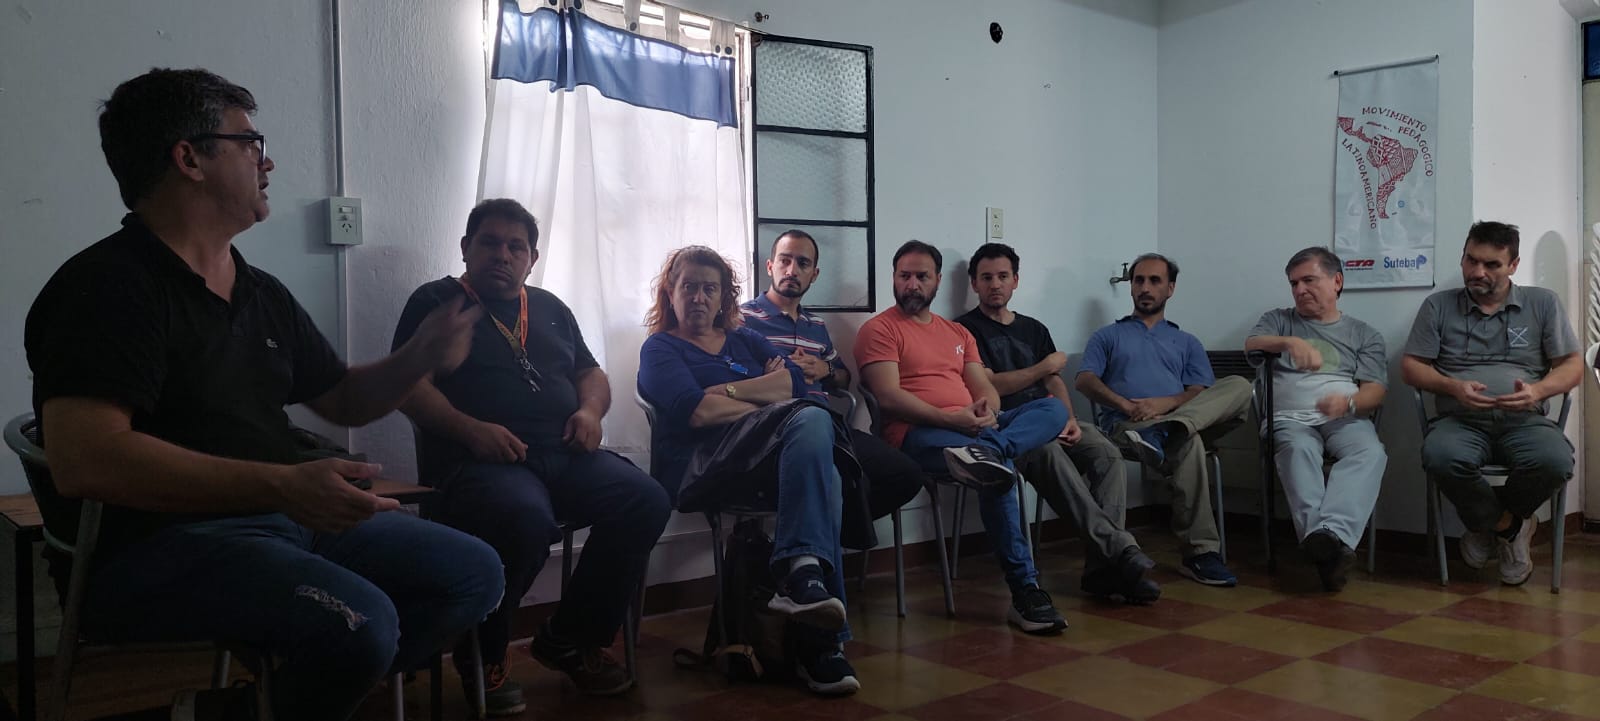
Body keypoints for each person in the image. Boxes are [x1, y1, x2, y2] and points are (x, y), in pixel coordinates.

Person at [22, 68, 503, 721]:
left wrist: (416, 355)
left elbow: (342, 399)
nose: (266, 160)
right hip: (160, 546)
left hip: (282, 520)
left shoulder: (259, 291)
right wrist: (282, 484)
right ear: (189, 158)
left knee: (475, 572)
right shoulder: (107, 289)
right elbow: (87, 460)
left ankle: (245, 708)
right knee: (362, 624)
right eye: (249, 142)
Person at [394, 199, 670, 714]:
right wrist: (470, 430)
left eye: (515, 247)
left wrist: (590, 412)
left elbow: (590, 373)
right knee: (522, 519)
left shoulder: (549, 307)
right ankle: (485, 653)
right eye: (489, 242)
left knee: (646, 500)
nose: (502, 254)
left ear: (532, 258)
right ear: (466, 248)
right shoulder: (435, 302)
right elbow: (407, 385)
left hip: (564, 453)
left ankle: (570, 638)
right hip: (480, 463)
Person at [636, 246, 859, 695]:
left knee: (828, 471)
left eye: (710, 288)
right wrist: (765, 395)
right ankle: (818, 627)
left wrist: (729, 390)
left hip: (761, 456)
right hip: (705, 468)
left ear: (724, 297)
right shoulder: (660, 348)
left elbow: (795, 384)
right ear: (670, 292)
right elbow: (697, 413)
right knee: (812, 423)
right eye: (688, 286)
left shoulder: (744, 338)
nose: (699, 297)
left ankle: (810, 603)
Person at [856, 240, 1071, 635]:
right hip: (917, 435)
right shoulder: (880, 329)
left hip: (973, 431)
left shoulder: (957, 332)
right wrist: (952, 420)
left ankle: (989, 452)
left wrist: (986, 413)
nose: (912, 284)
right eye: (904, 276)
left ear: (937, 280)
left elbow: (985, 388)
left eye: (922, 276)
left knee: (1053, 410)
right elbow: (888, 397)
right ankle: (1025, 590)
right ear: (894, 278)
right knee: (997, 471)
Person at [955, 243, 1159, 605]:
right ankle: (1120, 552)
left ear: (1016, 280)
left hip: (1054, 417)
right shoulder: (964, 330)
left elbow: (1054, 381)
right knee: (1049, 453)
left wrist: (1070, 419)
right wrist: (1042, 367)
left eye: (1002, 276)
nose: (995, 284)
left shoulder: (1034, 329)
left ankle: (1103, 568)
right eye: (986, 278)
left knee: (1106, 453)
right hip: (1012, 428)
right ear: (974, 284)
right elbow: (991, 385)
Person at [1402, 221, 1582, 586]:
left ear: (1513, 265)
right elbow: (1411, 366)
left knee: (1555, 461)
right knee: (1440, 456)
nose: (1477, 272)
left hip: (1525, 421)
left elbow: (1572, 365)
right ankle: (1510, 527)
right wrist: (1452, 386)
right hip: (1460, 422)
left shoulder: (1542, 303)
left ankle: (1488, 526)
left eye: (1491, 264)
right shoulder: (1438, 306)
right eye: (1471, 260)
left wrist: (1538, 391)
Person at [739, 229, 925, 549]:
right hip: (778, 430)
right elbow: (730, 376)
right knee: (838, 480)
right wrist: (768, 377)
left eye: (803, 263)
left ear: (814, 274)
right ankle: (812, 553)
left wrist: (822, 369)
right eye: (785, 261)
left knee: (905, 475)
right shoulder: (744, 319)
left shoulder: (816, 326)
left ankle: (822, 539)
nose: (792, 270)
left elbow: (843, 378)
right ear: (770, 266)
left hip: (831, 426)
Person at [1075, 253, 1249, 587]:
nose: (1145, 287)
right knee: (1189, 443)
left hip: (1177, 420)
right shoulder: (1108, 336)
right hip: (1128, 427)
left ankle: (1170, 428)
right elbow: (1084, 380)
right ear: (1131, 287)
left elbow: (1200, 391)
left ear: (1170, 289)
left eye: (1155, 281)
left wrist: (1167, 405)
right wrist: (1127, 405)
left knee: (1239, 385)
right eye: (1139, 280)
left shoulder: (1186, 342)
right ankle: (1200, 554)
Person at [1245, 247, 1388, 591]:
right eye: (1294, 283)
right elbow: (1251, 345)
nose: (1299, 290)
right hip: (1288, 419)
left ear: (1337, 281)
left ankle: (1327, 538)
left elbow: (1375, 390)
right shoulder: (1279, 320)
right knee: (1298, 450)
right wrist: (1289, 342)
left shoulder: (1364, 334)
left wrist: (1349, 402)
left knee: (1370, 453)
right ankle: (1332, 548)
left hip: (1343, 416)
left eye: (1309, 280)